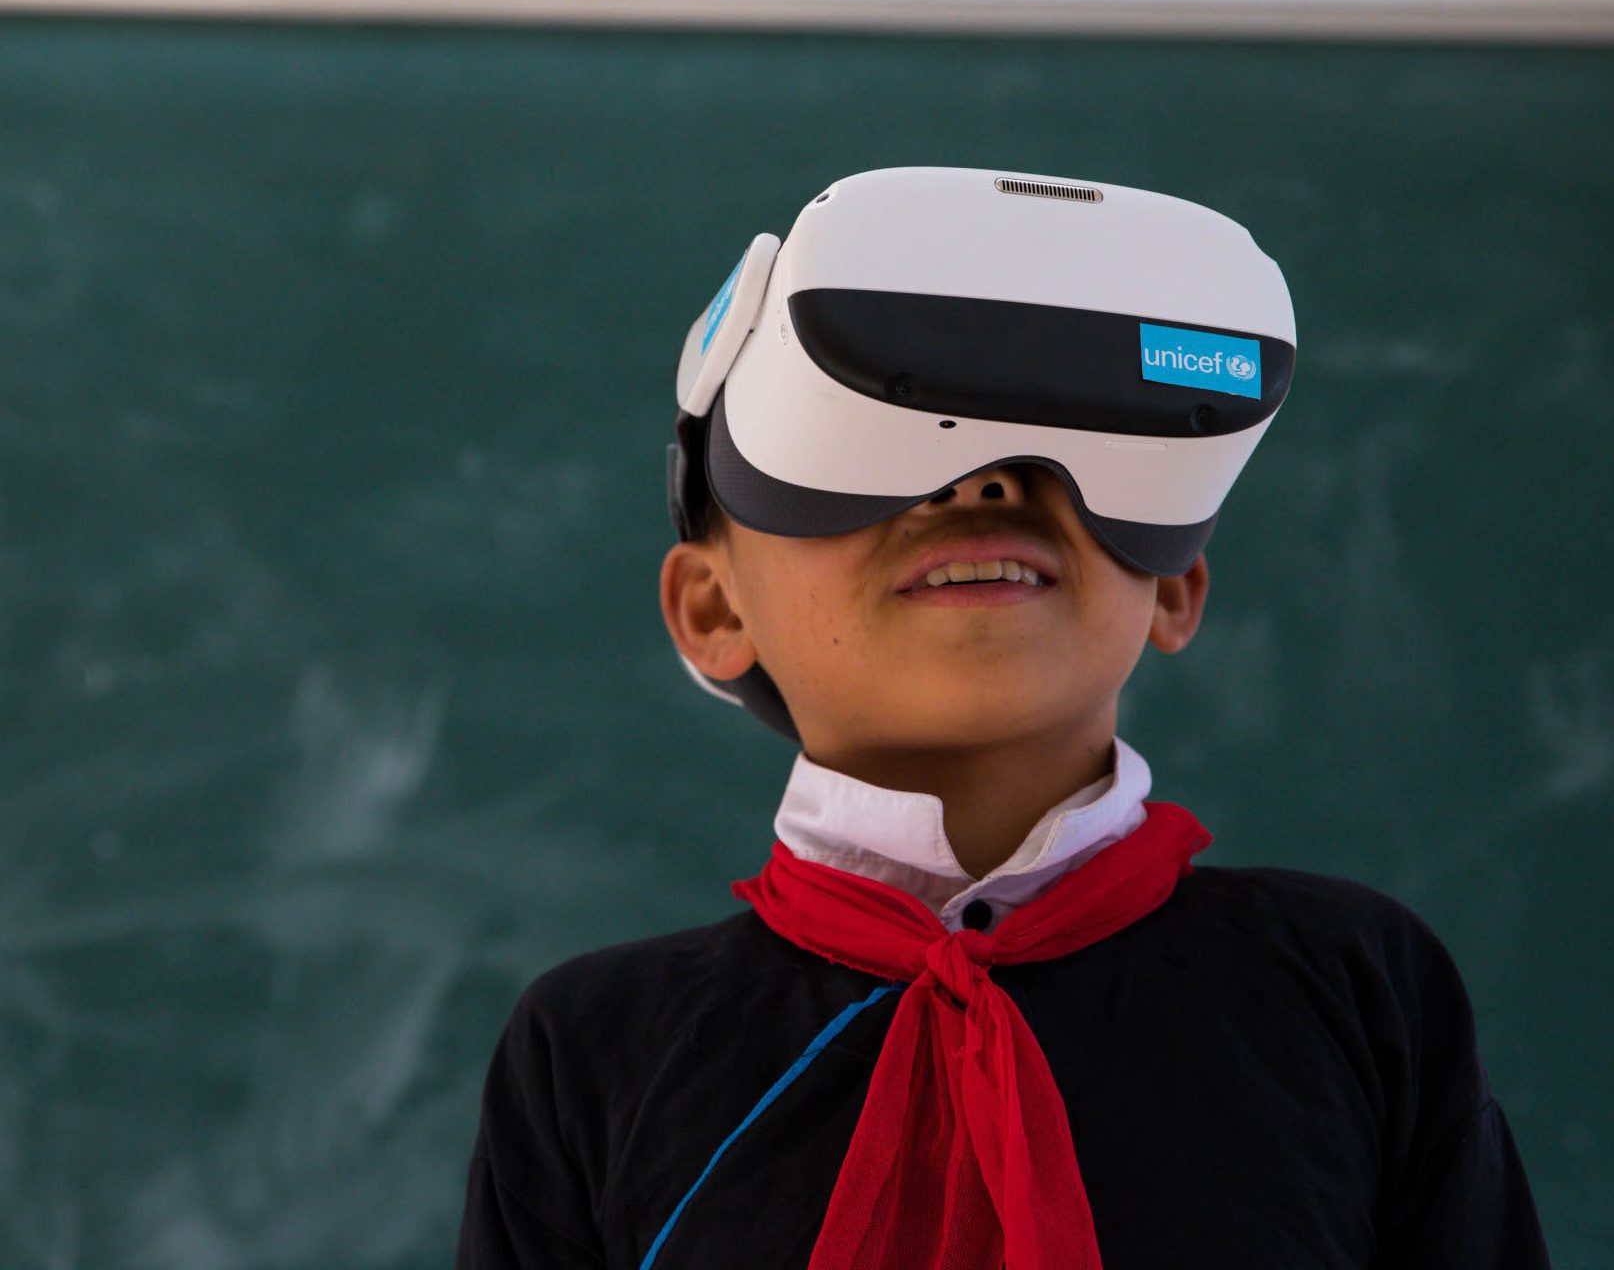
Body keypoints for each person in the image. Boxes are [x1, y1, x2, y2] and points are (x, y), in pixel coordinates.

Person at [455, 168, 1550, 1268]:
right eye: (885, 443)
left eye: (1063, 450)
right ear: (713, 607)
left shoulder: (1350, 989)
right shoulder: (595, 1051)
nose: (981, 483)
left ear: (1172, 584)